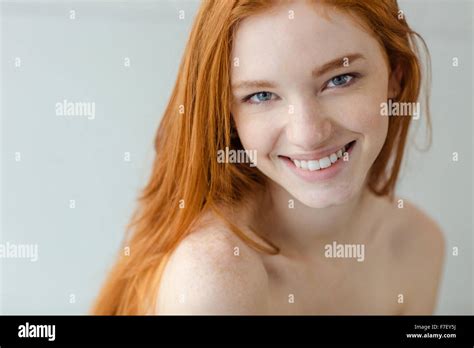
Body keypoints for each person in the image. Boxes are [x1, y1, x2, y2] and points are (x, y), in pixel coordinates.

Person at [93, 0, 445, 315]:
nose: (308, 134)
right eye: (261, 95)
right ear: (228, 115)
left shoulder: (420, 245)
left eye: (340, 79)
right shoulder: (215, 278)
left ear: (394, 79)